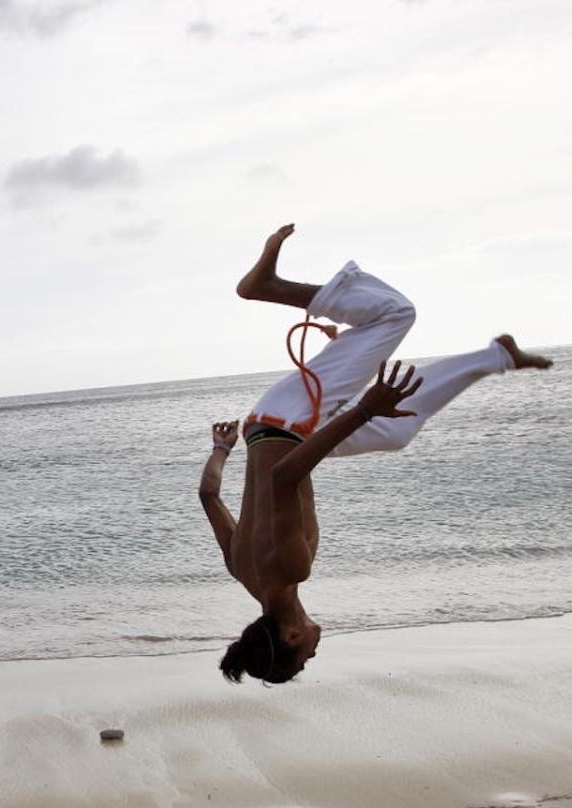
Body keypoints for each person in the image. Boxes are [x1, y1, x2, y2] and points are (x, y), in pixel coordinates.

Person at [200, 224, 552, 685]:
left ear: (290, 637)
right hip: (272, 430)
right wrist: (221, 450)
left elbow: (284, 478)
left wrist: (364, 408)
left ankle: (266, 287)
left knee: (395, 314)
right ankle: (496, 357)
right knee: (395, 430)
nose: (312, 653)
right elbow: (208, 495)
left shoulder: (290, 568)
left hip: (289, 421)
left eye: (304, 659)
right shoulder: (245, 575)